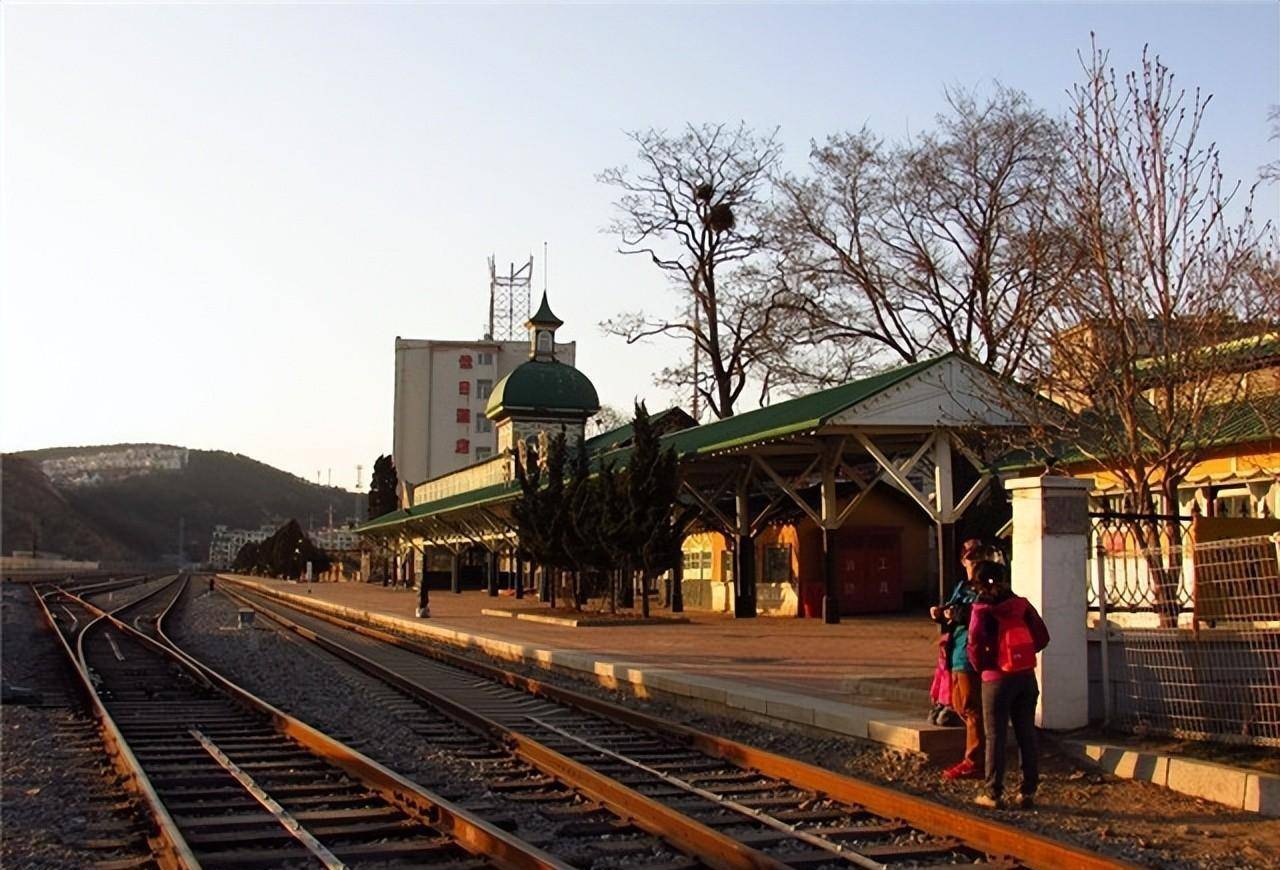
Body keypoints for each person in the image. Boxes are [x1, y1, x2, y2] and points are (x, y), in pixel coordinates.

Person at [967, 561, 1050, 809]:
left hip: (995, 679)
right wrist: (1021, 655)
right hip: (1025, 676)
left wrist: (983, 666)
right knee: (1027, 732)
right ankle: (1028, 791)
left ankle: (993, 793)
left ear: (979, 582)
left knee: (996, 736)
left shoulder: (982, 609)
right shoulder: (1021, 605)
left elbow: (973, 643)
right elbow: (1042, 637)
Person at [938, 547, 985, 780]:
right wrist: (942, 613)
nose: (974, 561)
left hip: (970, 654)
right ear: (963, 560)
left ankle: (975, 759)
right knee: (960, 705)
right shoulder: (961, 587)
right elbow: (952, 609)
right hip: (956, 650)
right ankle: (977, 752)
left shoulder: (987, 588)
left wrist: (957, 615)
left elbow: (981, 615)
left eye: (978, 556)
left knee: (971, 707)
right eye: (970, 556)